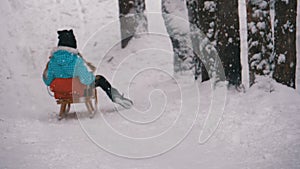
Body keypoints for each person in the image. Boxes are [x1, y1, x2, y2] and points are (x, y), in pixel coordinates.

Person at [42, 29, 133, 109]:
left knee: (68, 82)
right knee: (100, 79)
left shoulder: (52, 62)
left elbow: (48, 81)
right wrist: (91, 75)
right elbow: (86, 80)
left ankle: (115, 96)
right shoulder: (75, 60)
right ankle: (115, 96)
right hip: (77, 91)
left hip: (62, 93)